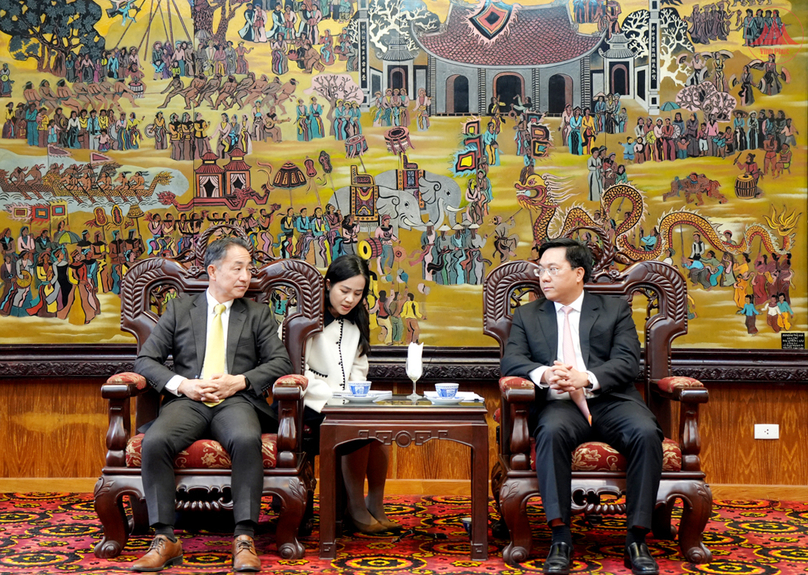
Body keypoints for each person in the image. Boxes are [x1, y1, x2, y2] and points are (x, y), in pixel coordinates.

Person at [501, 238, 663, 575]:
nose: (543, 277)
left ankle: (636, 537)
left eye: (552, 269)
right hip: (559, 405)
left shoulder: (614, 309)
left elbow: (628, 362)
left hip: (610, 399)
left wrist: (586, 378)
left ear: (578, 274)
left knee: (646, 432)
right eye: (541, 270)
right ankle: (560, 536)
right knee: (551, 432)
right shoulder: (528, 315)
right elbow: (511, 361)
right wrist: (546, 373)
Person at [131, 237, 294, 572]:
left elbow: (281, 363)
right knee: (156, 441)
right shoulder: (180, 309)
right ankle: (165, 538)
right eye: (238, 268)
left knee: (246, 439)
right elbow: (146, 360)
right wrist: (183, 385)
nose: (246, 276)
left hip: (235, 401)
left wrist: (240, 380)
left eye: (249, 269)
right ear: (213, 271)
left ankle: (244, 537)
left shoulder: (257, 314)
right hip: (188, 401)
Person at [295, 254, 400, 533]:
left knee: (378, 431)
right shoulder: (304, 320)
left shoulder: (357, 320)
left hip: (344, 402)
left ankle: (374, 503)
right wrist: (335, 400)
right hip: (308, 408)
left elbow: (358, 364)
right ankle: (354, 508)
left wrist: (356, 395)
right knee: (359, 431)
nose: (350, 299)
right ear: (328, 284)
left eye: (357, 293)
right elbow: (298, 372)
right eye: (344, 291)